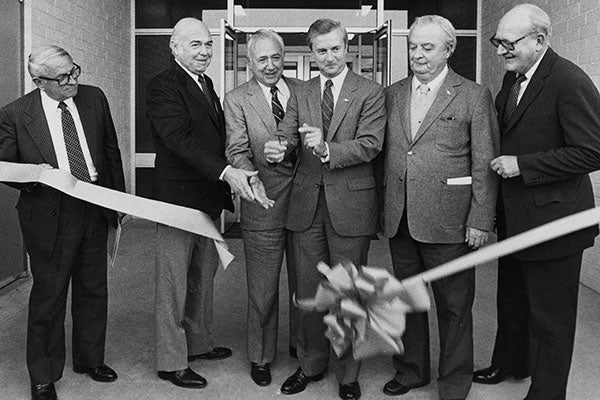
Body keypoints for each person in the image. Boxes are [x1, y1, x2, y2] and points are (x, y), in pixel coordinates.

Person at [473, 4, 600, 400]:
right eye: (497, 42)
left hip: (555, 223)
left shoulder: (567, 80)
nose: (499, 51)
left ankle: (547, 394)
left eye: (507, 43)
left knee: (551, 320)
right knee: (512, 301)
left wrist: (523, 165)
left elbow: (593, 151)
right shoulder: (513, 79)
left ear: (540, 40)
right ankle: (511, 364)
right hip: (516, 218)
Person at [378, 15, 499, 400]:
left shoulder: (473, 95)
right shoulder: (393, 93)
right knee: (410, 301)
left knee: (455, 308)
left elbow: (484, 163)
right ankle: (412, 370)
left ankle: (453, 383)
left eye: (427, 47)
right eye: (413, 46)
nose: (418, 54)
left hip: (450, 222)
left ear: (449, 49)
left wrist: (480, 218)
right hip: (401, 219)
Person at [264, 18, 386, 400]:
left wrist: (329, 149)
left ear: (347, 48)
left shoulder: (370, 91)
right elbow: (287, 132)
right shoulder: (302, 92)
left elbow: (370, 144)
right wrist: (279, 147)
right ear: (312, 53)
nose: (329, 57)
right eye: (321, 50)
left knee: (348, 294)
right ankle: (310, 365)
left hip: (350, 205)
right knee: (310, 292)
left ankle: (348, 375)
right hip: (306, 205)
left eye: (335, 49)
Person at [0, 45, 125, 400]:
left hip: (94, 207)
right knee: (49, 296)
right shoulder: (15, 114)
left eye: (74, 71)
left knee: (93, 288)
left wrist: (118, 204)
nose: (72, 81)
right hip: (49, 213)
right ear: (39, 81)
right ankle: (42, 375)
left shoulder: (94, 98)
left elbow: (111, 150)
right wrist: (38, 177)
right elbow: (6, 165)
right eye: (62, 78)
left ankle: (90, 359)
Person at [145, 17, 258, 389]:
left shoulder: (205, 83)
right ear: (175, 47)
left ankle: (198, 343)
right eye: (195, 45)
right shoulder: (163, 86)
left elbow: (213, 139)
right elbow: (178, 139)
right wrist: (227, 172)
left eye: (208, 44)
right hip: (177, 201)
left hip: (206, 200)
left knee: (201, 277)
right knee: (174, 283)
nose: (204, 51)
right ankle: (170, 360)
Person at [223, 29, 301, 387]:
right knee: (263, 287)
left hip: (306, 202)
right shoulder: (237, 99)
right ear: (248, 62)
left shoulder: (305, 90)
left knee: (307, 283)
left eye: (275, 57)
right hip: (261, 201)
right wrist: (248, 175)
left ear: (283, 57)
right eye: (261, 59)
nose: (270, 66)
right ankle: (261, 356)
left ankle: (304, 348)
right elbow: (236, 148)